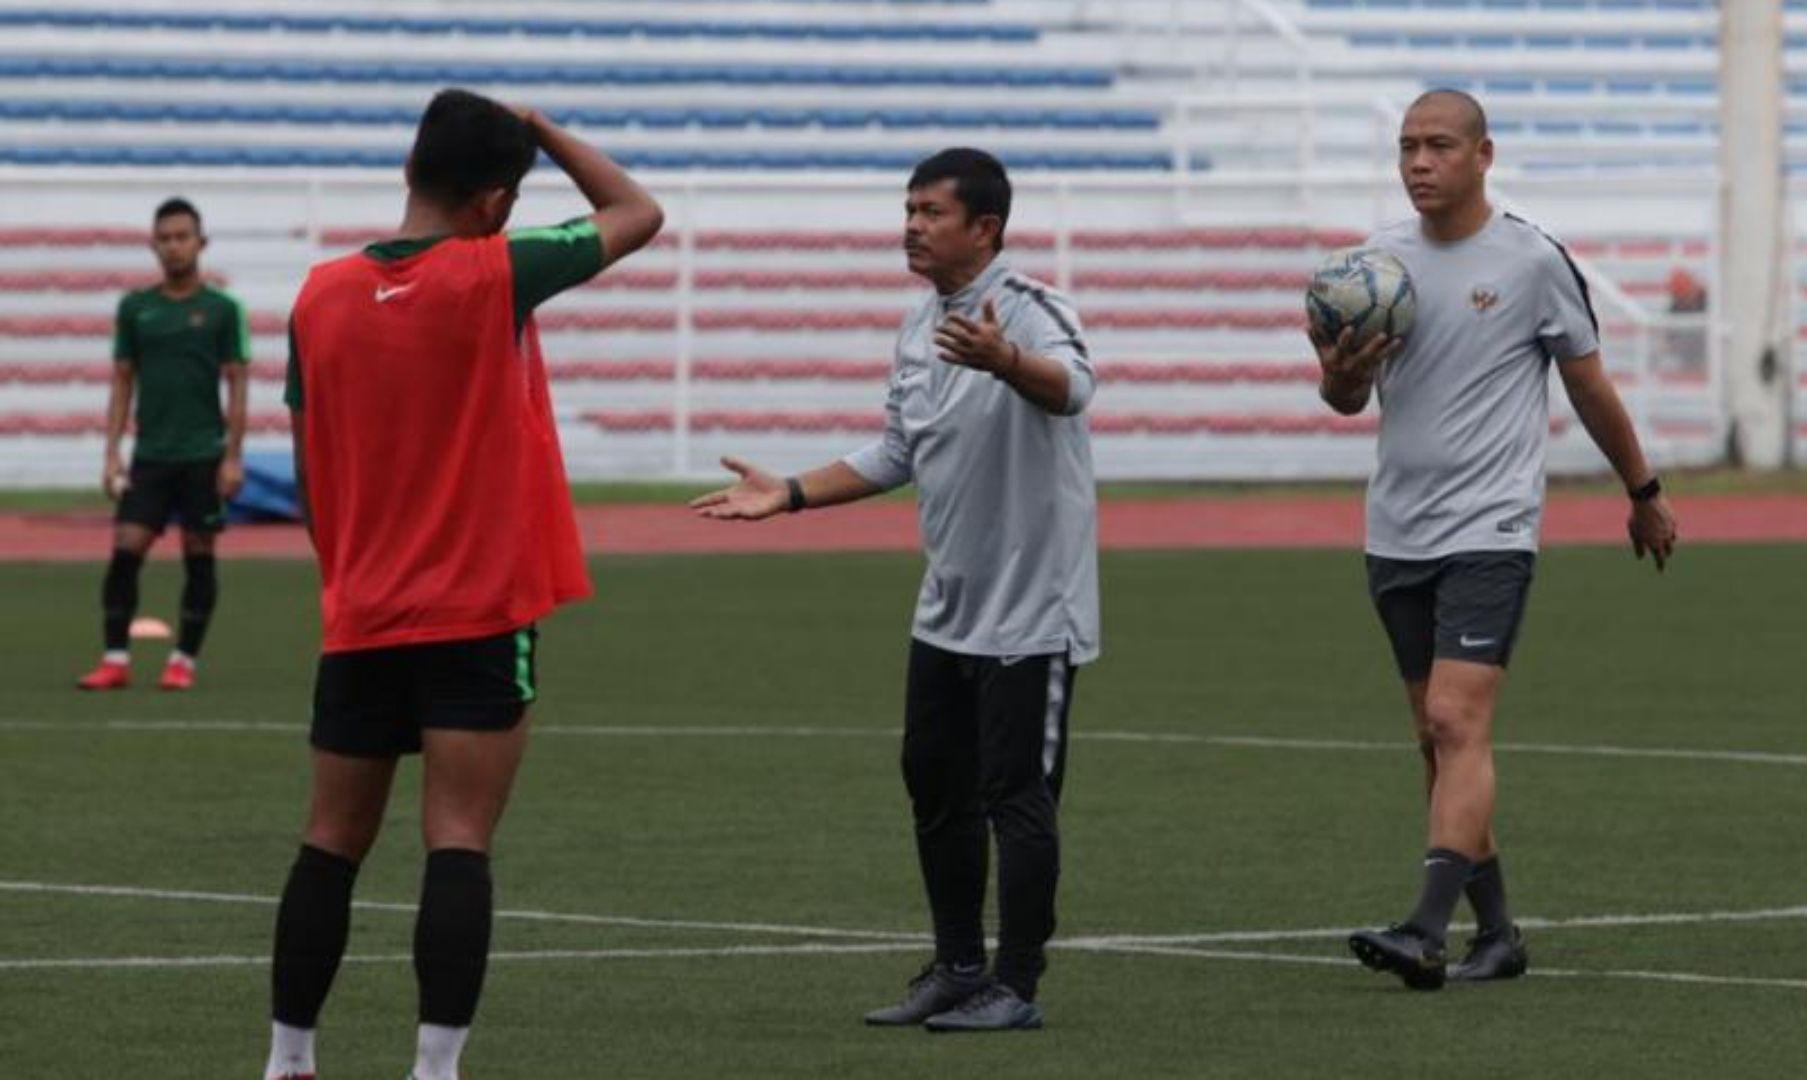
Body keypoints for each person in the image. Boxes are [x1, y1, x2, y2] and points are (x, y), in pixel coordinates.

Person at [261, 89, 663, 1080]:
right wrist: (545, 126)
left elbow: (312, 466)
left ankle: (288, 1060)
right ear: (492, 203)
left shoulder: (318, 294)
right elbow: (637, 213)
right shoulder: (497, 272)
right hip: (477, 609)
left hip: (362, 608)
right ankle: (434, 1071)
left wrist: (349, 567)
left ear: (410, 169)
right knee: (457, 841)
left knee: (328, 842)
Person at [692, 148, 1099, 1033]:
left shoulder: (1033, 309)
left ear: (983, 228)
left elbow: (1075, 389)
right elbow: (897, 452)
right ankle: (958, 968)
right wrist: (790, 492)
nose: (911, 225)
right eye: (907, 208)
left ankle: (1014, 985)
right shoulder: (918, 326)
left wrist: (1007, 361)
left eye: (929, 211)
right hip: (948, 610)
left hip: (1032, 612)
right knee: (934, 782)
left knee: (1016, 796)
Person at [1315, 89, 1678, 991]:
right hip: (1397, 527)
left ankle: (1424, 929)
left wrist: (1643, 491)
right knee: (1435, 744)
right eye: (1406, 147)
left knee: (1456, 718)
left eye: (1439, 145)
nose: (1418, 163)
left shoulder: (1529, 261)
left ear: (1485, 154)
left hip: (1493, 526)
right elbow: (1346, 402)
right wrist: (1340, 375)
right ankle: (1501, 935)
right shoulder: (1374, 268)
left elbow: (1590, 386)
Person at [76, 197, 249, 692]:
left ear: (200, 243)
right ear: (154, 246)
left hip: (203, 456)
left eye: (183, 237)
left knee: (199, 552)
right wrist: (111, 452)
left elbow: (237, 384)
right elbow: (121, 382)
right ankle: (115, 659)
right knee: (126, 549)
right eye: (166, 239)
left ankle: (183, 661)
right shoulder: (136, 309)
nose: (174, 246)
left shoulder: (222, 310)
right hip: (151, 455)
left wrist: (233, 457)